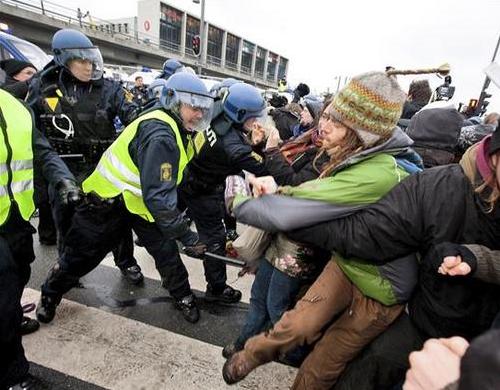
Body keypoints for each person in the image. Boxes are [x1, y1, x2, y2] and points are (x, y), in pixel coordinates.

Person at [223, 70, 421, 387]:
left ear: (365, 133)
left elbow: (297, 207)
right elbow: (307, 193)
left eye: (337, 122)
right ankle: (253, 353)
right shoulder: (357, 153)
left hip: (380, 289)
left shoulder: (380, 171)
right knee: (299, 322)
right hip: (346, 263)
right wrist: (279, 189)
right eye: (327, 115)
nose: (323, 127)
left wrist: (236, 197)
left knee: (323, 360)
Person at [35, 72, 214, 325]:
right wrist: (186, 235)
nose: (198, 114)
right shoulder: (160, 134)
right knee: (81, 255)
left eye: (203, 109)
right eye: (193, 107)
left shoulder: (179, 127)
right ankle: (50, 294)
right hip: (108, 200)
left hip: (138, 201)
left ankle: (183, 295)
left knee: (166, 253)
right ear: (173, 102)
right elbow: (159, 196)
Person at [26, 28, 144, 284]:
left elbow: (133, 113)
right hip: (63, 167)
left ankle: (126, 261)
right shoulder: (42, 86)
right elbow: (30, 128)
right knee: (66, 220)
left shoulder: (109, 88)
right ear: (63, 60)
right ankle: (68, 267)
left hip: (101, 166)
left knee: (117, 218)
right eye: (81, 60)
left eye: (91, 60)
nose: (89, 67)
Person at [0, 88, 79, 389]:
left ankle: (12, 317)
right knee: (3, 295)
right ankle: (12, 377)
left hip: (15, 216)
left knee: (20, 274)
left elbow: (42, 150)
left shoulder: (17, 107)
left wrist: (64, 179)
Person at [178, 82, 271, 304]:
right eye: (252, 118)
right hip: (204, 190)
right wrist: (260, 146)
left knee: (171, 216)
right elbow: (264, 167)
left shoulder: (217, 112)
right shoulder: (234, 147)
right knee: (215, 239)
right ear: (239, 115)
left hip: (189, 174)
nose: (256, 122)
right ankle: (217, 288)